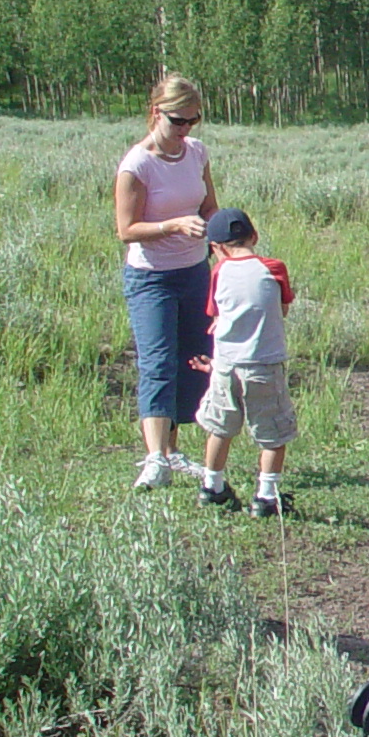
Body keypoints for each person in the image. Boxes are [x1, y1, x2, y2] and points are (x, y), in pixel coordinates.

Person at [114, 74, 218, 491]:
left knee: (191, 359)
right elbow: (127, 229)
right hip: (151, 278)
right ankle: (154, 458)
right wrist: (174, 225)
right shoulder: (136, 164)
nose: (185, 130)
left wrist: (225, 234)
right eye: (178, 121)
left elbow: (209, 205)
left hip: (195, 271)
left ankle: (172, 451)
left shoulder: (197, 154)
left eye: (193, 121)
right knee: (157, 362)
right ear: (156, 112)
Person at [191, 208, 296, 515]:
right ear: (254, 237)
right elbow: (283, 309)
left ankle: (212, 486)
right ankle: (266, 496)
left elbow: (215, 315)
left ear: (217, 248)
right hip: (264, 365)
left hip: (226, 366)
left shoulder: (219, 272)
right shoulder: (274, 268)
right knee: (273, 433)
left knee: (221, 427)